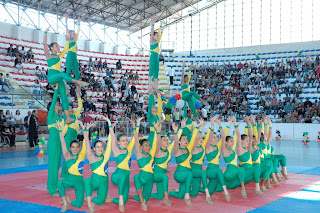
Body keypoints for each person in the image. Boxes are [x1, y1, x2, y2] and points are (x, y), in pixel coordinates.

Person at [43, 25, 88, 124]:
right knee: (63, 74)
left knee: (64, 97)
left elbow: (67, 48)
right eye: (56, 46)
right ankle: (78, 81)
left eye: (59, 46)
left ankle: (67, 117)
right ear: (51, 48)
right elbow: (44, 44)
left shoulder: (59, 56)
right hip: (51, 77)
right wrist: (45, 32)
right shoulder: (49, 55)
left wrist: (67, 38)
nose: (58, 47)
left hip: (58, 78)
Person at [168, 119, 202, 206]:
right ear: (179, 141)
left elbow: (194, 137)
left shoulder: (188, 149)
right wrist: (178, 130)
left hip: (186, 175)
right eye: (183, 139)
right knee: (190, 174)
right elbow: (175, 143)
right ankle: (187, 196)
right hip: (179, 174)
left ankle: (170, 193)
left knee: (180, 195)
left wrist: (198, 127)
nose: (186, 140)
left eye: (186, 139)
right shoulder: (177, 151)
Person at [111, 117, 141, 212]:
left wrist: (135, 125)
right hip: (117, 176)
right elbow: (112, 137)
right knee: (123, 178)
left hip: (126, 177)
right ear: (118, 142)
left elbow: (135, 138)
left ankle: (114, 199)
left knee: (125, 200)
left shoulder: (128, 150)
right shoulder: (116, 150)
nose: (125, 142)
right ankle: (120, 200)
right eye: (123, 141)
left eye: (126, 141)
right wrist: (110, 127)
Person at [83, 118, 112, 213]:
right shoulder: (91, 157)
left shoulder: (106, 156)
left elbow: (110, 142)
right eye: (98, 147)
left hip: (104, 183)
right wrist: (86, 129)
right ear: (94, 149)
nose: (100, 149)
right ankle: (89, 203)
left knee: (100, 202)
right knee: (87, 180)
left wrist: (109, 123)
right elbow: (87, 143)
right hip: (94, 182)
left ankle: (89, 198)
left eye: (101, 147)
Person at [57, 120, 86, 212]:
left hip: (80, 183)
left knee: (79, 204)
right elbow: (62, 143)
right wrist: (60, 130)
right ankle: (65, 202)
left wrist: (84, 129)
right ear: (70, 148)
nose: (75, 149)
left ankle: (70, 201)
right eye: (73, 147)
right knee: (60, 183)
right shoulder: (67, 156)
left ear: (79, 148)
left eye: (77, 147)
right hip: (70, 181)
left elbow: (86, 143)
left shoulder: (81, 155)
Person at [132, 119, 160, 210]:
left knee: (145, 198)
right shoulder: (139, 154)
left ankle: (131, 197)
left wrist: (156, 129)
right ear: (141, 147)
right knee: (136, 177)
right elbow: (136, 139)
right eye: (145, 145)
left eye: (148, 145)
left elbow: (155, 141)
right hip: (142, 178)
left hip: (150, 179)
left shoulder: (151, 154)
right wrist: (137, 125)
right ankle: (142, 202)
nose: (148, 147)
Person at [46, 85, 68, 197]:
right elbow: (54, 100)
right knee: (53, 166)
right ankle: (52, 190)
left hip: (60, 143)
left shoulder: (60, 118)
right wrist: (56, 90)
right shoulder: (51, 116)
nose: (58, 105)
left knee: (56, 166)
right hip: (53, 143)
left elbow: (63, 132)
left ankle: (50, 185)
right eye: (57, 104)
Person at [203, 117, 230, 201]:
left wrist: (220, 124)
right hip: (210, 171)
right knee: (219, 171)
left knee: (211, 191)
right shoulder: (207, 147)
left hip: (216, 172)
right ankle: (226, 192)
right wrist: (212, 124)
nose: (216, 139)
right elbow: (210, 135)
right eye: (214, 137)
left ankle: (192, 189)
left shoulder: (217, 147)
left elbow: (223, 136)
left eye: (216, 137)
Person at [221, 116, 247, 198]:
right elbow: (223, 136)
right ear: (226, 143)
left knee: (215, 189)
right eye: (230, 141)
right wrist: (229, 123)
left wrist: (235, 125)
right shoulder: (224, 150)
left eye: (232, 141)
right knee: (241, 169)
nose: (232, 143)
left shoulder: (232, 150)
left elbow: (236, 137)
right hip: (228, 174)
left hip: (233, 174)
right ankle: (243, 189)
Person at [238, 116, 265, 196]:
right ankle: (257, 189)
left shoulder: (248, 148)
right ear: (241, 141)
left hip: (250, 174)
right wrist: (236, 125)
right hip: (245, 174)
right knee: (256, 167)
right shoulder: (240, 149)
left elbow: (250, 135)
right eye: (246, 141)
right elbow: (238, 134)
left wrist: (248, 123)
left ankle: (262, 184)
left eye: (248, 141)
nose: (248, 142)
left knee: (265, 167)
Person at [60, 86, 83, 178]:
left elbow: (80, 106)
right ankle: (65, 174)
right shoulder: (65, 116)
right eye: (68, 107)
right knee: (67, 156)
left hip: (74, 138)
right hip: (68, 138)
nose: (70, 108)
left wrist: (78, 95)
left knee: (73, 156)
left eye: (71, 107)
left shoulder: (75, 115)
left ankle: (71, 172)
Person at [189, 118, 213, 203]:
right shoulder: (194, 147)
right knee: (203, 173)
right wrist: (201, 127)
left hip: (199, 171)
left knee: (194, 194)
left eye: (201, 139)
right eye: (199, 139)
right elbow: (196, 136)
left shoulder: (203, 147)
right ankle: (207, 195)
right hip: (193, 169)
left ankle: (185, 188)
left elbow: (208, 136)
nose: (201, 140)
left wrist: (212, 124)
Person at [151, 124, 175, 206]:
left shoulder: (168, 150)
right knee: (165, 177)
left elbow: (176, 140)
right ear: (160, 143)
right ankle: (167, 198)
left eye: (166, 140)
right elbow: (157, 141)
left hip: (161, 175)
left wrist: (177, 130)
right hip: (155, 175)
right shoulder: (157, 150)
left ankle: (142, 195)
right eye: (164, 140)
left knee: (159, 196)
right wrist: (157, 130)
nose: (166, 141)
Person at [64, 14, 81, 80]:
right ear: (70, 35)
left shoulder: (75, 40)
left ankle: (77, 85)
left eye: (75, 34)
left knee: (77, 71)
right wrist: (66, 20)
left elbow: (78, 31)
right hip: (70, 56)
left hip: (75, 56)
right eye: (73, 34)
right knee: (68, 71)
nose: (75, 35)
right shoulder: (68, 40)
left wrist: (79, 23)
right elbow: (67, 30)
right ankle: (65, 82)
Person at [149, 16, 163, 90]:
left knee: (156, 71)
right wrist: (153, 25)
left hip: (157, 56)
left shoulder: (157, 41)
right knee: (152, 71)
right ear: (153, 36)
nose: (158, 37)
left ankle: (155, 86)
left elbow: (160, 35)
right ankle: (150, 86)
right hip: (153, 56)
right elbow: (152, 33)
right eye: (156, 35)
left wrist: (161, 27)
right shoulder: (151, 41)